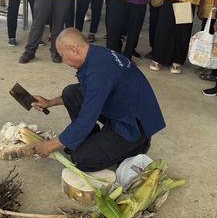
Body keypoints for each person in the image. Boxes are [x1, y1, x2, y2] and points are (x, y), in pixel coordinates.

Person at [31, 28, 165, 172]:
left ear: (74, 50)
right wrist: (49, 102)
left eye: (62, 55)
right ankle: (92, 139)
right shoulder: (94, 54)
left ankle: (136, 147)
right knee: (71, 93)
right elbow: (87, 91)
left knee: (81, 159)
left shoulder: (98, 73)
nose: (62, 60)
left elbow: (85, 121)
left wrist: (49, 146)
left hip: (133, 127)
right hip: (122, 109)